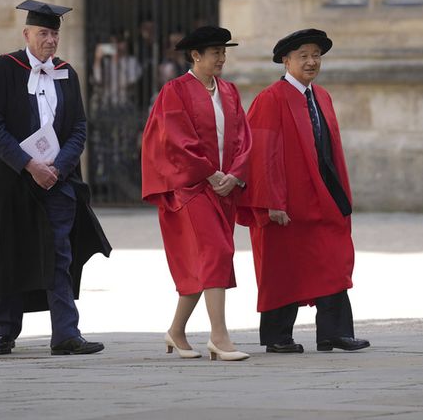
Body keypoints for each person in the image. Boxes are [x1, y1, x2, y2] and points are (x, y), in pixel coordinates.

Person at [0, 0, 112, 356]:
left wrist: (58, 168)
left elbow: (78, 127)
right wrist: (30, 165)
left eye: (55, 34)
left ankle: (65, 333)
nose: (51, 40)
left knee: (60, 255)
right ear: (27, 34)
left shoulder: (67, 73)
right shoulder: (4, 69)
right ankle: (5, 332)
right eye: (44, 33)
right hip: (12, 181)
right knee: (9, 253)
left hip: (58, 181)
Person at [238, 29, 369, 354]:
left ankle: (333, 333)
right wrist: (271, 202)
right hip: (287, 203)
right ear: (286, 60)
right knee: (282, 266)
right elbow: (262, 155)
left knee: (332, 259)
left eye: (316, 55)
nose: (312, 62)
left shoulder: (321, 96)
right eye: (304, 56)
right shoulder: (271, 98)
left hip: (322, 196)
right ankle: (277, 336)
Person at [141, 26, 252, 361]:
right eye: (215, 52)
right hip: (190, 188)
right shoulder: (174, 92)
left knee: (203, 262)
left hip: (223, 190)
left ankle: (176, 332)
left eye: (223, 52)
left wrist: (234, 176)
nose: (221, 58)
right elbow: (174, 140)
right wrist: (211, 172)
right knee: (217, 251)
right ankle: (219, 337)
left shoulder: (230, 92)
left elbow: (244, 139)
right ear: (195, 56)